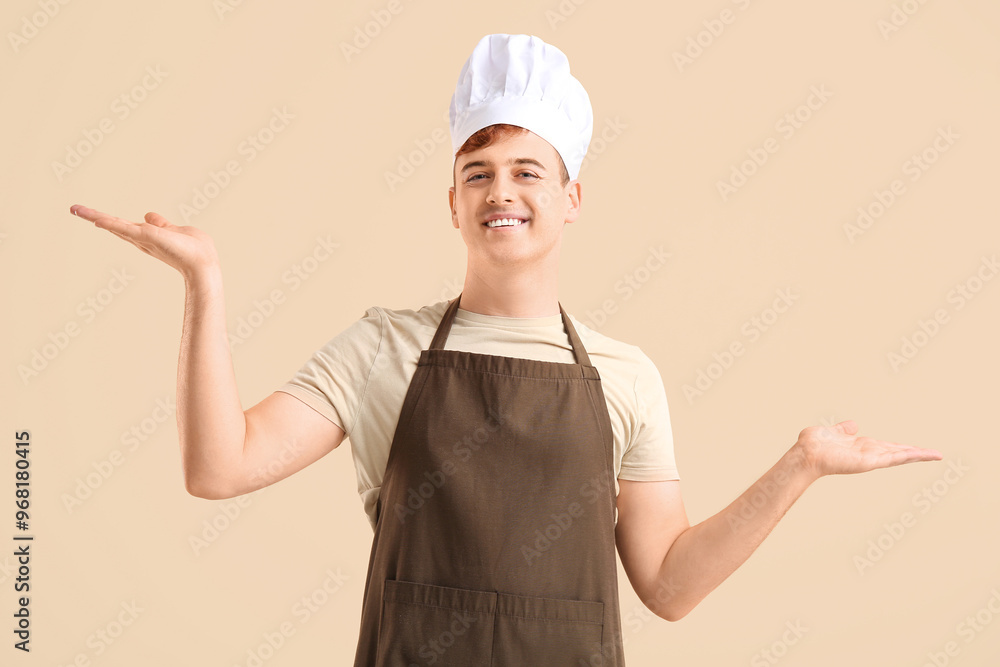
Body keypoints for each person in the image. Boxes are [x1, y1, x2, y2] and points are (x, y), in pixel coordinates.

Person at [70, 33, 942, 666]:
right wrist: (205, 283)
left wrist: (801, 465)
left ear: (571, 198)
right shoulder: (383, 347)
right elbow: (218, 467)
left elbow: (669, 586)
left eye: (528, 171)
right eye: (478, 173)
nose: (502, 191)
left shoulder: (626, 378)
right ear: (451, 202)